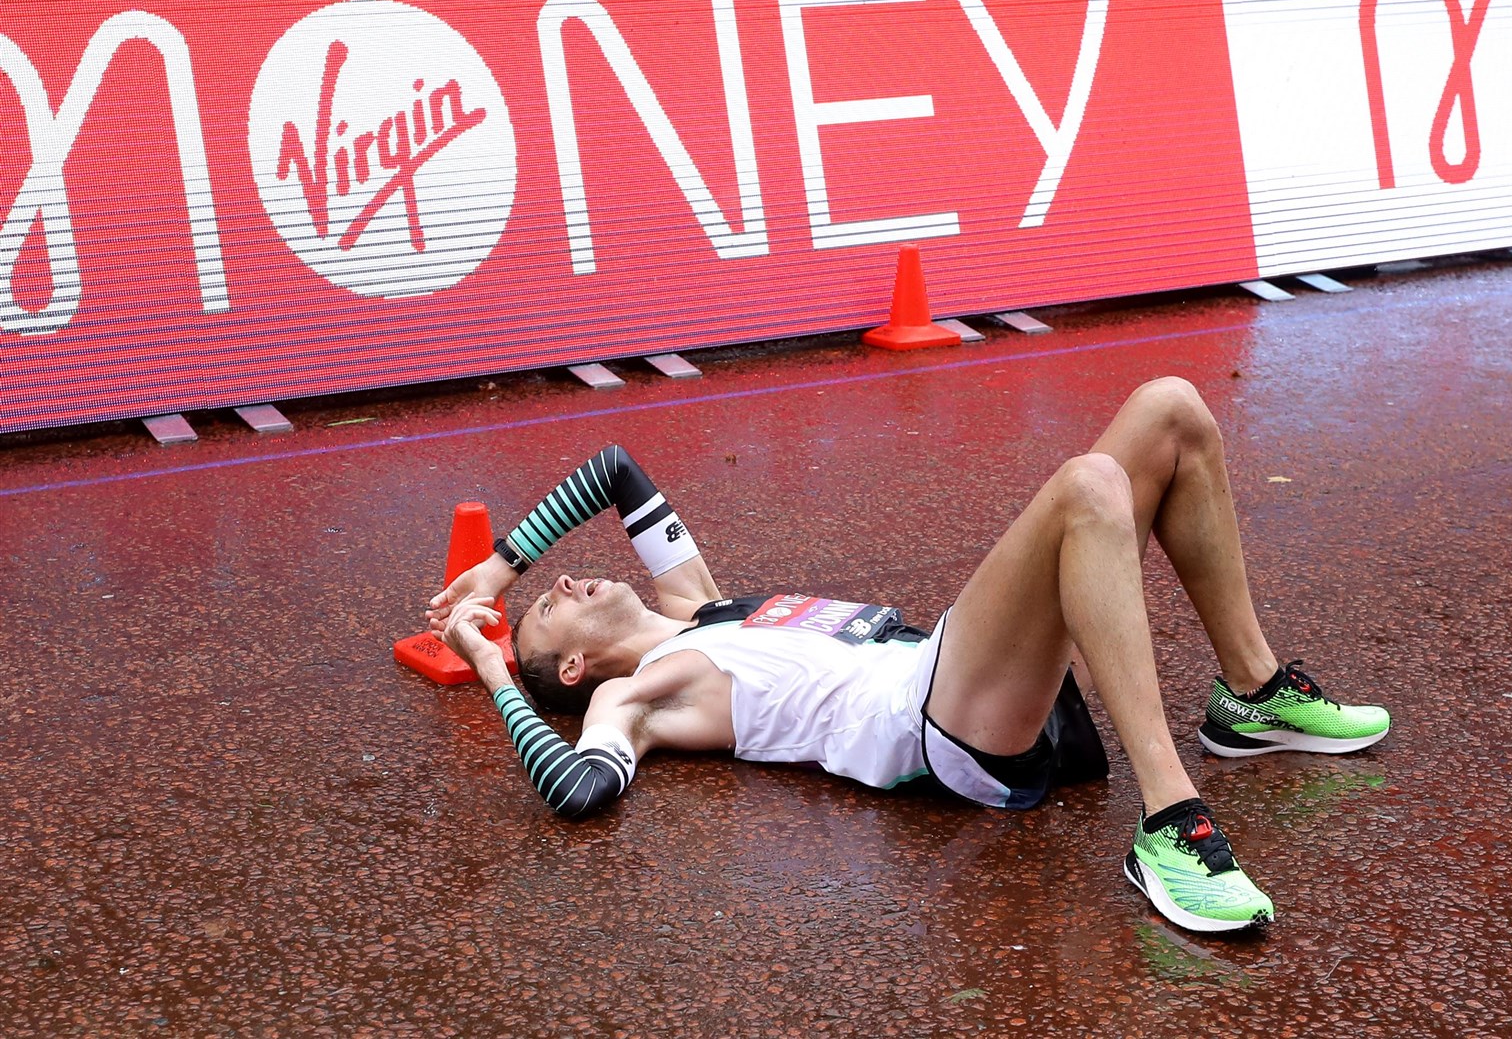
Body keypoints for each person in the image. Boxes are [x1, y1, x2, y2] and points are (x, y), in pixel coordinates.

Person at [426, 377, 1389, 934]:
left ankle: (1253, 696)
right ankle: (1172, 825)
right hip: (940, 723)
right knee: (1089, 485)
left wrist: (500, 570)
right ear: (574, 672)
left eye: (550, 585)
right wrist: (492, 661)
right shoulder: (637, 697)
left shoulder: (695, 603)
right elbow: (578, 794)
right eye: (549, 614)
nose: (559, 587)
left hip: (974, 668)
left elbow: (616, 469)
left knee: (1173, 408)